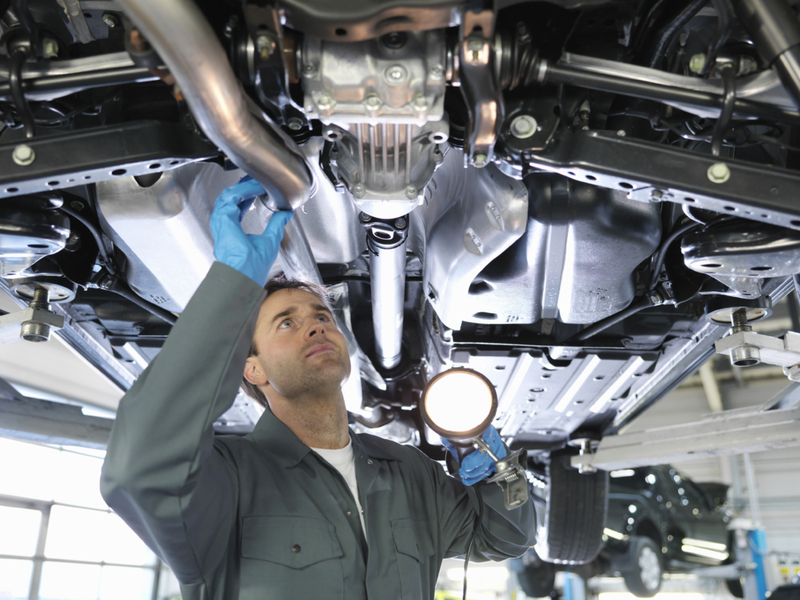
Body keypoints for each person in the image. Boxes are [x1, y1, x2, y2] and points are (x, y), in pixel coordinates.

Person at [100, 177, 536, 600]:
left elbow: (504, 539)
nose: (314, 325)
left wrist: (498, 470)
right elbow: (141, 466)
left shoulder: (410, 473)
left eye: (321, 316)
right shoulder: (226, 481)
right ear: (251, 368)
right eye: (286, 323)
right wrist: (232, 287)